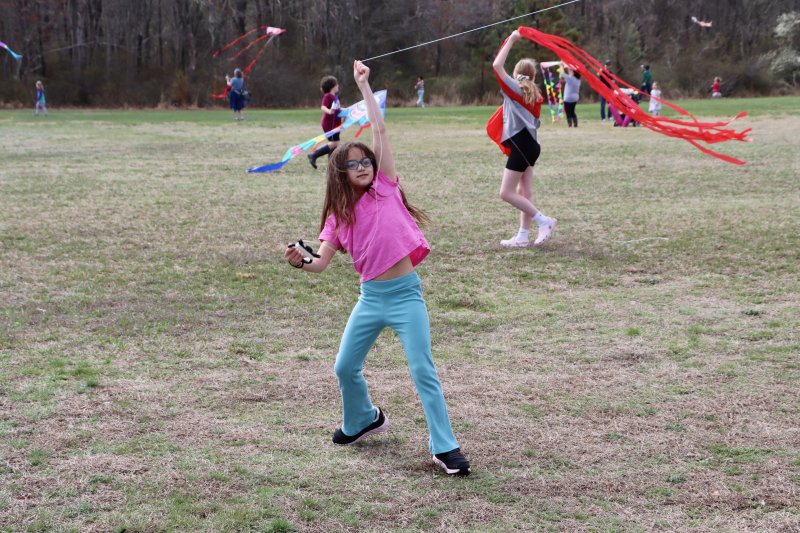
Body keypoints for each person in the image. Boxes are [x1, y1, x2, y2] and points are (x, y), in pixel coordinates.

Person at [284, 60, 471, 477]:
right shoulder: (337, 215)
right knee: (344, 367)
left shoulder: (386, 186)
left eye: (365, 160)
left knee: (424, 370)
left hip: (406, 295)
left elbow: (380, 131)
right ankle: (362, 420)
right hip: (371, 299)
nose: (364, 166)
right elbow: (321, 263)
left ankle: (445, 446)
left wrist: (364, 86)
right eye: (353, 164)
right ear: (340, 173)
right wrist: (301, 261)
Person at [492, 30, 556, 248]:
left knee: (506, 193)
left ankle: (544, 221)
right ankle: (522, 236)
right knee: (524, 191)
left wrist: (511, 39)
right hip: (531, 146)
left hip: (522, 146)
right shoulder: (534, 93)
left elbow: (496, 66)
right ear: (534, 76)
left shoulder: (515, 88)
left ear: (516, 73)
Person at [308, 75, 343, 169]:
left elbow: (338, 109)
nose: (338, 86)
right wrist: (329, 111)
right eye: (336, 84)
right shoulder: (328, 96)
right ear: (332, 86)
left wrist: (348, 111)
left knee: (334, 145)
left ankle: (332, 165)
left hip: (335, 124)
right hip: (329, 124)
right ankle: (314, 155)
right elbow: (323, 107)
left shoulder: (334, 97)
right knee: (334, 143)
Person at [561, 62, 581, 127]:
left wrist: (561, 66)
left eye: (570, 71)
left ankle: (570, 124)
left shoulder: (570, 79)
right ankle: (575, 123)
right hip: (575, 98)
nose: (569, 72)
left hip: (568, 98)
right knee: (572, 111)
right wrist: (567, 65)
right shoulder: (578, 80)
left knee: (568, 112)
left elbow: (563, 74)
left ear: (573, 73)